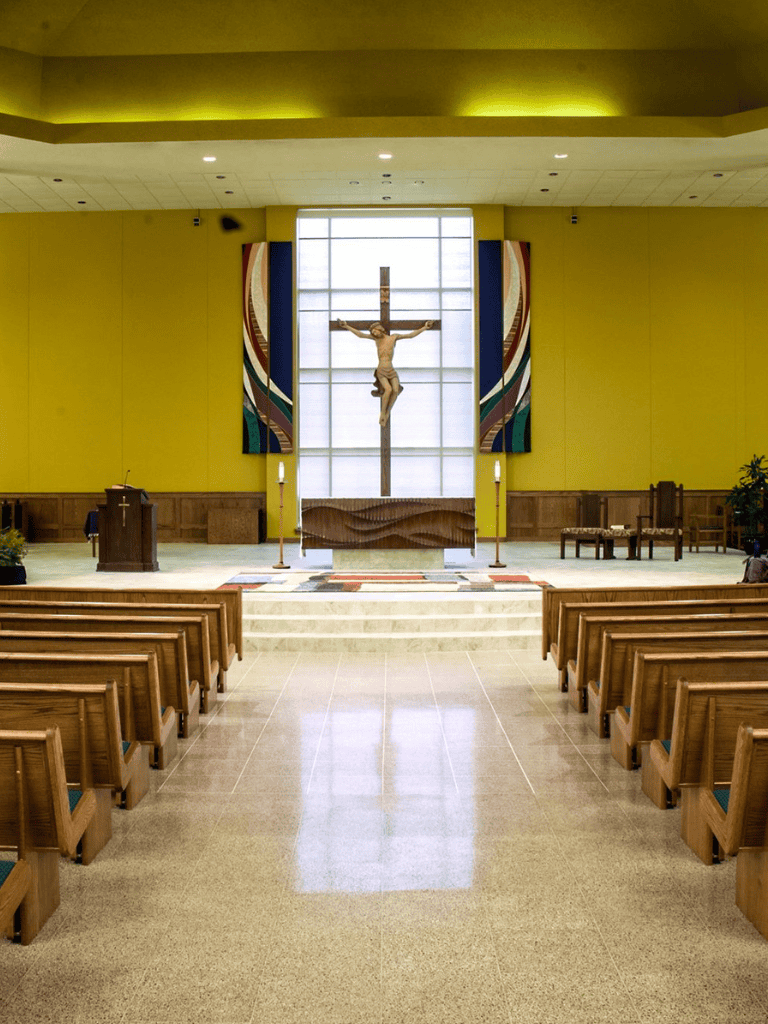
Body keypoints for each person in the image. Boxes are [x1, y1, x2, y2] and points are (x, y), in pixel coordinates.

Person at [336, 319, 434, 426]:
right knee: (388, 389)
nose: (374, 334)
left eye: (375, 331)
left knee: (396, 390)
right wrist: (346, 326)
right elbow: (360, 335)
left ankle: (388, 411)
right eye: (373, 333)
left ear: (380, 329)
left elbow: (410, 335)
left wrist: (425, 327)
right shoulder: (376, 340)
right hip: (381, 370)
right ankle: (383, 413)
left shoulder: (393, 338)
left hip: (391, 370)